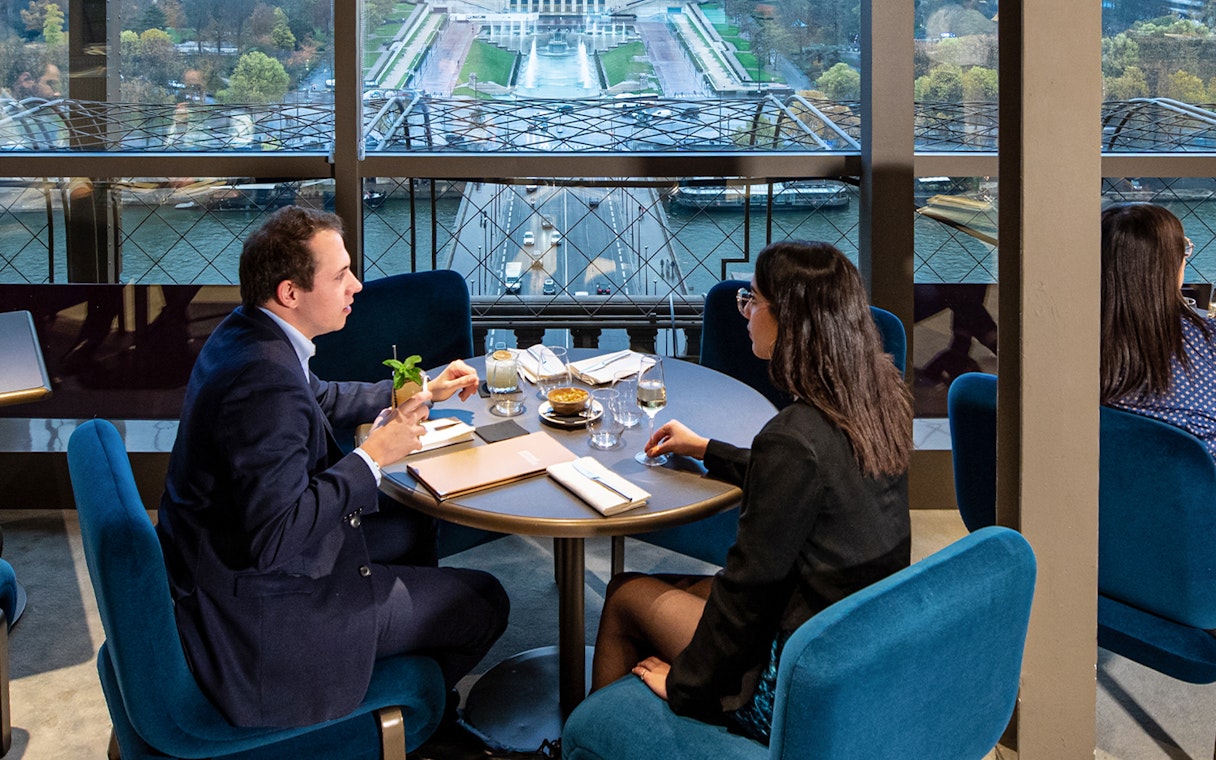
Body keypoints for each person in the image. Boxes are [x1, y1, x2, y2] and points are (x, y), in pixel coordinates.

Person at [156, 205, 510, 728]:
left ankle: (401, 646)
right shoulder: (263, 384)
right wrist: (374, 456)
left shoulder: (249, 333)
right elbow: (276, 536)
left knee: (414, 524)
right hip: (267, 614)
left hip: (226, 570)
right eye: (341, 275)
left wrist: (418, 391)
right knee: (485, 600)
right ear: (290, 293)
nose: (358, 286)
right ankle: (417, 719)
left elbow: (319, 397)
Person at [589, 240, 913, 743]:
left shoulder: (794, 438)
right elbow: (807, 479)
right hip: (852, 645)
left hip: (792, 678)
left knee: (626, 595)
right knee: (686, 592)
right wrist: (705, 448)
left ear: (790, 320)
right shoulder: (877, 400)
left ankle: (595, 740)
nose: (745, 312)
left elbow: (747, 593)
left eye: (753, 299)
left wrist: (683, 685)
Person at [1101, 202, 1216, 457]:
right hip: (1196, 492)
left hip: (1100, 491)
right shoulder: (1207, 345)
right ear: (1170, 266)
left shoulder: (1066, 348)